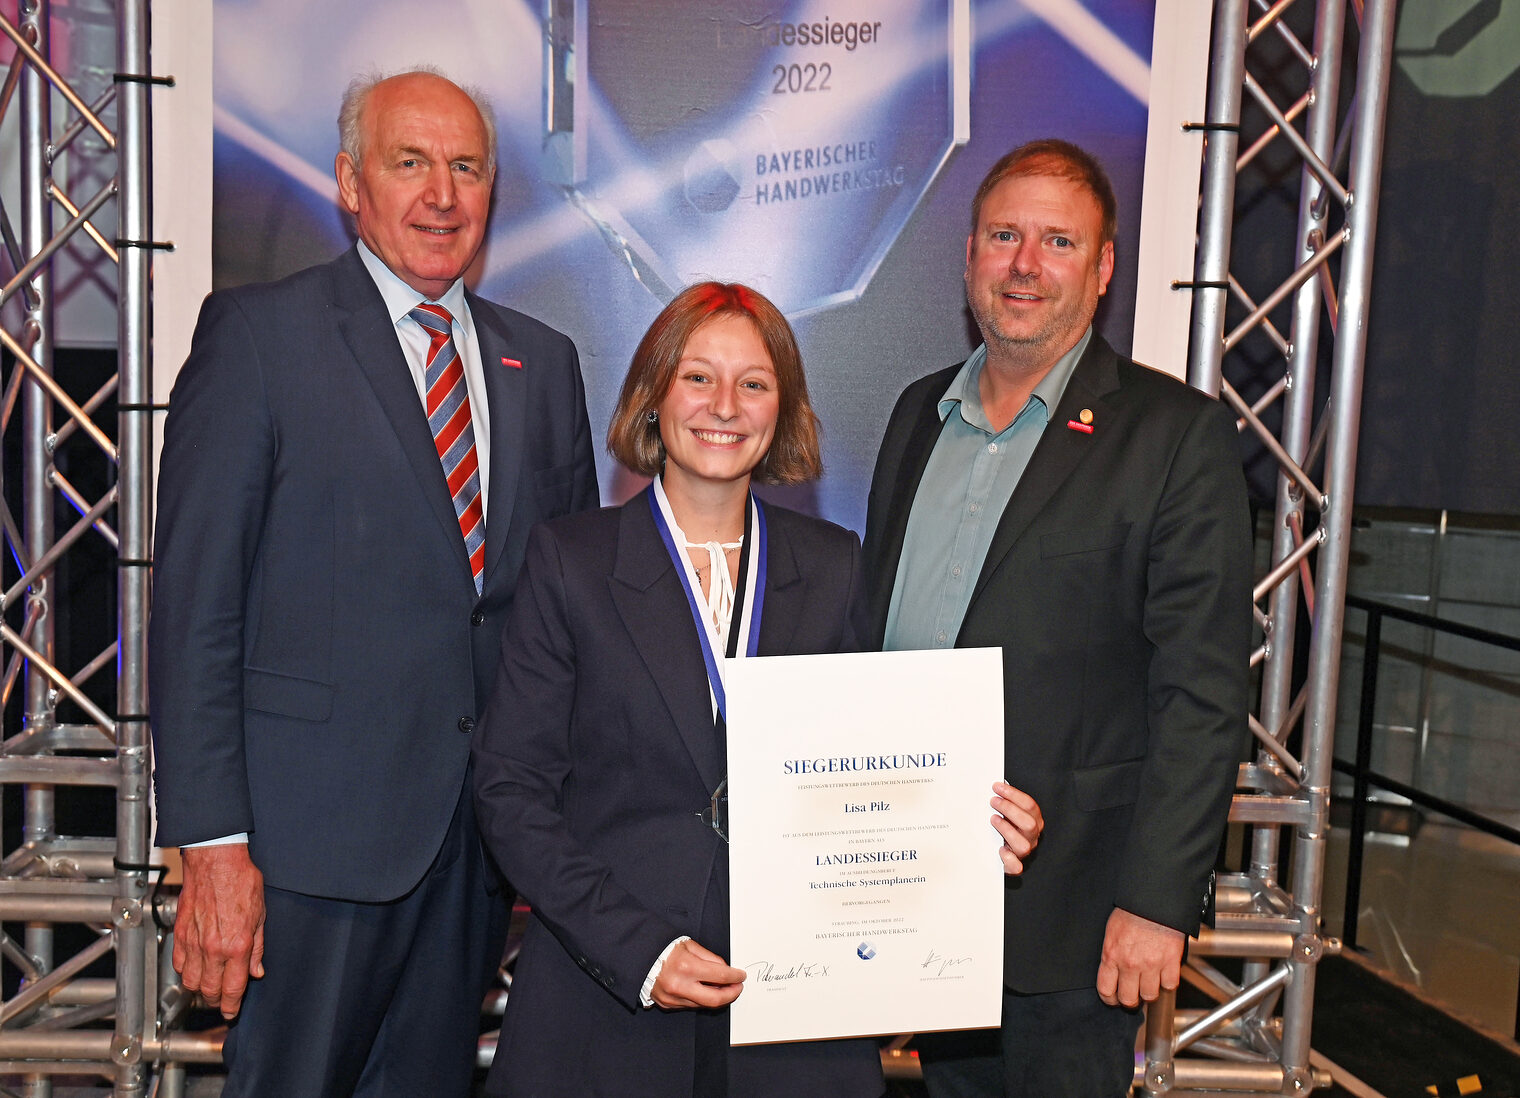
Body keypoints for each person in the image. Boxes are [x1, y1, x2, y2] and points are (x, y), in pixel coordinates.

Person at [471, 281, 1043, 1098]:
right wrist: (642, 951)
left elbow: (880, 774)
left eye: (755, 382)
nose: (725, 405)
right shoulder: (572, 561)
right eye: (698, 376)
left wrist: (974, 822)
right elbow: (510, 791)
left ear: (784, 408)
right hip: (609, 1003)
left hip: (794, 1013)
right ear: (654, 394)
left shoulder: (834, 564)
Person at [148, 67, 598, 1098]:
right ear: (350, 183)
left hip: (475, 853)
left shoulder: (547, 364)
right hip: (306, 858)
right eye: (410, 163)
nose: (443, 194)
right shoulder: (258, 338)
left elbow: (556, 622)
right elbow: (194, 611)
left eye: (467, 167)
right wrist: (213, 847)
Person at [862, 140, 1252, 1096]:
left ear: (1104, 266)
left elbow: (1202, 692)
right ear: (968, 257)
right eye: (1004, 236)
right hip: (920, 888)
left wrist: (1155, 902)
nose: (1025, 265)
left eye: (1058, 242)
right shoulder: (918, 413)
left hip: (1076, 915)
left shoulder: (1175, 437)